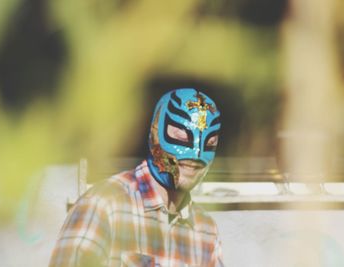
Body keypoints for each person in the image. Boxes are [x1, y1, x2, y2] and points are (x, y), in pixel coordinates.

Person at [49, 88, 224, 267]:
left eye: (210, 143)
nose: (196, 155)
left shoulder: (206, 230)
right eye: (181, 137)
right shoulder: (103, 204)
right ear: (155, 132)